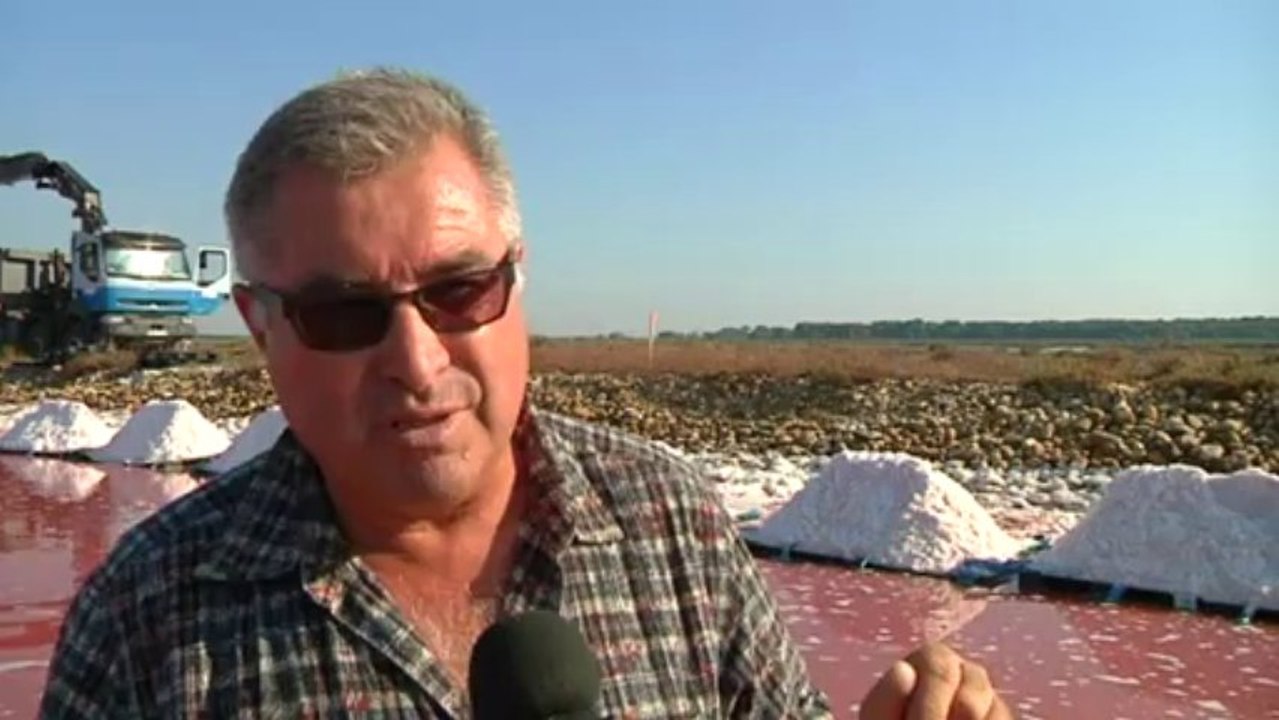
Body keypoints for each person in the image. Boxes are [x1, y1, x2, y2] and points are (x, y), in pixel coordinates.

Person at [38, 68, 1013, 719]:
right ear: (259, 327)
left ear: (518, 277)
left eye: (460, 290)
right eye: (344, 313)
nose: (417, 362)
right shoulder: (149, 614)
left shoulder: (674, 532)